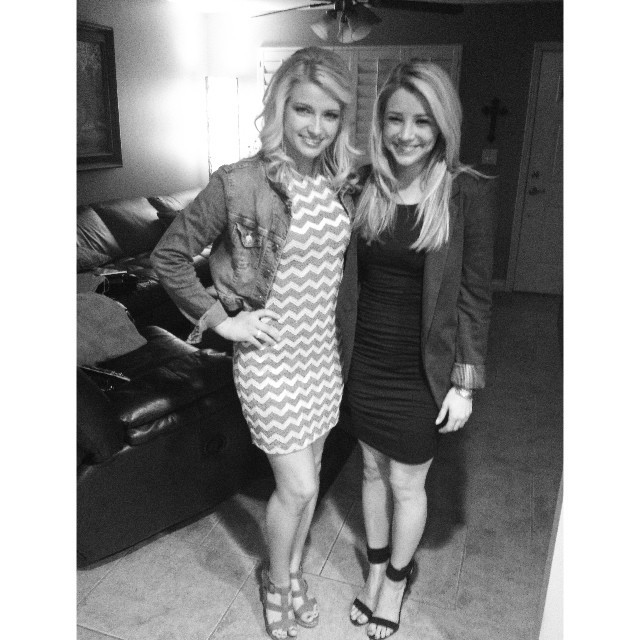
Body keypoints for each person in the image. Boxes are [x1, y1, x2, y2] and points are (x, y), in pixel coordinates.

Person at [151, 47, 359, 640]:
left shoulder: (342, 185)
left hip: (322, 358)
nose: (316, 127)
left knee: (310, 482)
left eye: (330, 115)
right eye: (303, 110)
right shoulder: (238, 182)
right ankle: (275, 580)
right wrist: (222, 321)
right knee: (298, 486)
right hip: (268, 361)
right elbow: (168, 256)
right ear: (279, 108)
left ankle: (292, 572)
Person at [343, 60, 495, 639]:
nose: (406, 134)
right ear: (380, 122)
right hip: (363, 362)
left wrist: (465, 382)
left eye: (423, 121)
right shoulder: (363, 185)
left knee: (407, 484)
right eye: (395, 119)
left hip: (421, 371)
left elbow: (476, 295)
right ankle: (375, 569)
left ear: (443, 125)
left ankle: (396, 583)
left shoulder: (466, 192)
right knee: (370, 472)